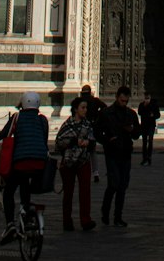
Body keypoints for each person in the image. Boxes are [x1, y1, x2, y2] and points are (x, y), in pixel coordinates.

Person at [0, 92, 49, 244]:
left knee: (9, 192)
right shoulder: (42, 120)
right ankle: (26, 213)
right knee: (25, 184)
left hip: (21, 162)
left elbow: (3, 136)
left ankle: (10, 225)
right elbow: (44, 139)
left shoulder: (17, 117)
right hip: (40, 163)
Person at [97, 86, 140, 228]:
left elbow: (136, 134)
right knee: (113, 184)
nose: (124, 103)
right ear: (117, 97)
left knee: (122, 186)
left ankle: (118, 217)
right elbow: (97, 132)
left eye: (126, 101)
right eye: (122, 100)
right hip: (112, 153)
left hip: (126, 152)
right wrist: (107, 141)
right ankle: (105, 211)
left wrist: (132, 130)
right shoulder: (106, 113)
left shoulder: (131, 114)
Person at [55, 95, 97, 232]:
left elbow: (92, 141)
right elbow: (59, 142)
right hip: (69, 162)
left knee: (85, 191)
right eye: (83, 108)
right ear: (75, 109)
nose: (85, 110)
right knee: (68, 192)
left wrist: (88, 143)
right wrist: (74, 141)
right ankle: (67, 221)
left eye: (86, 108)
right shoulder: (67, 125)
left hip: (83, 161)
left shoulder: (87, 124)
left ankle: (86, 220)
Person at [136, 92, 160, 165]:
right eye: (145, 98)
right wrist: (144, 106)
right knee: (144, 142)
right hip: (144, 125)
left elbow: (158, 115)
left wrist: (153, 115)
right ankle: (144, 158)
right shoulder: (141, 105)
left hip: (151, 125)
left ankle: (149, 157)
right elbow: (139, 112)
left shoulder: (154, 105)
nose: (146, 100)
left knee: (150, 141)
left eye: (148, 98)